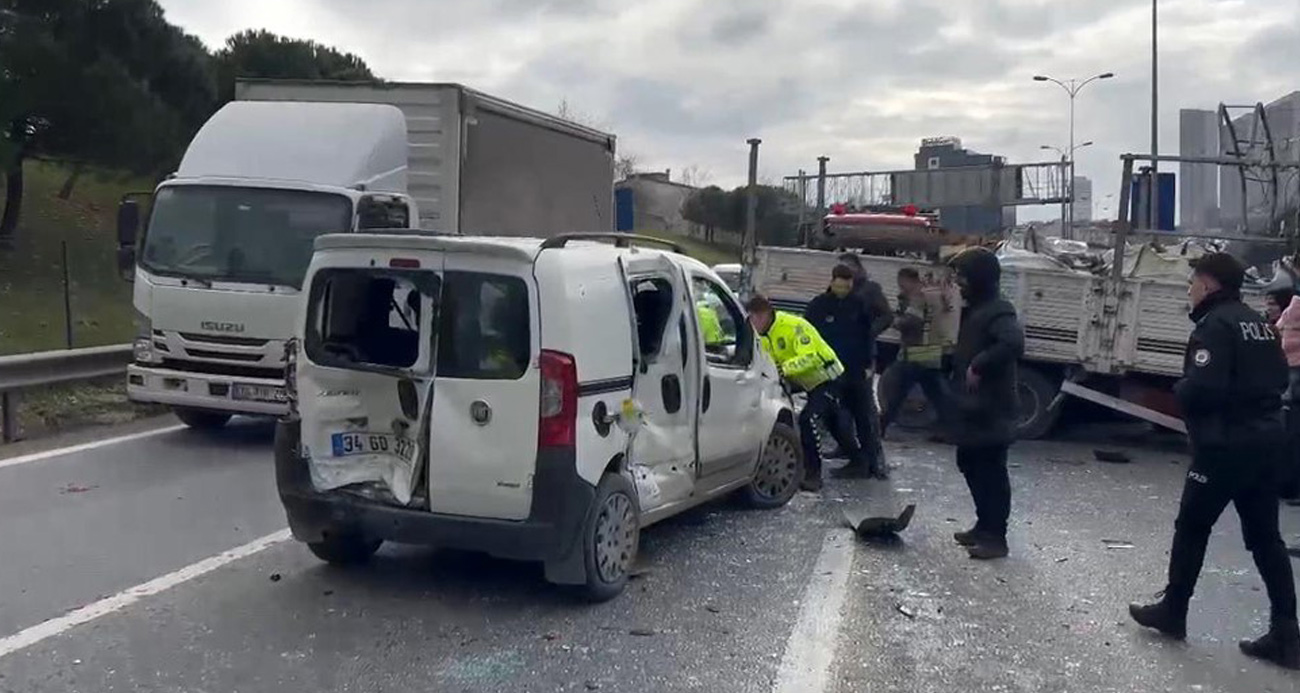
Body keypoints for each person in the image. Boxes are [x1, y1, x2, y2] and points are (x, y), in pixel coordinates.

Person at [1129, 252, 1298, 670]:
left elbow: (1204, 388)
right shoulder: (1257, 323)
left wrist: (1181, 388)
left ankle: (1174, 611)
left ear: (1208, 284)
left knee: (1191, 527)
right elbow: (1280, 377)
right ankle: (1287, 633)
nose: (1189, 290)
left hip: (1223, 446)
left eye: (1192, 282)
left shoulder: (1215, 326)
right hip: (1264, 442)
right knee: (1266, 540)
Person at [946, 247, 1024, 560]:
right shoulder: (976, 308)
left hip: (993, 410)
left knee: (991, 472)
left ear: (979, 278)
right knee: (969, 464)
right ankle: (983, 526)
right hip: (973, 409)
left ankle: (996, 537)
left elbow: (1013, 342)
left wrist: (979, 364)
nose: (959, 283)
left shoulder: (998, 309)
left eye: (963, 277)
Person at [747, 293, 865, 492]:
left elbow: (811, 357)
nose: (754, 323)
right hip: (806, 380)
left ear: (767, 314)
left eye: (756, 318)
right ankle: (858, 461)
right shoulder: (761, 334)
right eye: (751, 318)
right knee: (833, 423)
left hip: (827, 377)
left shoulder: (793, 326)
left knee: (808, 420)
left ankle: (813, 475)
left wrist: (783, 369)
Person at [805, 264, 890, 479]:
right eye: (839, 285)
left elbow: (867, 336)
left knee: (864, 418)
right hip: (828, 372)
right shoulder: (819, 305)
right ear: (832, 281)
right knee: (833, 418)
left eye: (847, 285)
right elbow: (807, 334)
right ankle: (855, 457)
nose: (843, 289)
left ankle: (872, 463)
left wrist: (868, 364)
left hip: (855, 371)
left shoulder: (860, 305)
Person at [830, 253, 894, 472]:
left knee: (864, 408)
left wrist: (869, 332)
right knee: (842, 405)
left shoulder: (870, 290)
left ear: (858, 268)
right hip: (840, 355)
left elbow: (887, 316)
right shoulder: (837, 290)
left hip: (863, 356)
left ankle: (875, 458)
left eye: (848, 267)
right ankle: (848, 447)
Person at [880, 267, 952, 439]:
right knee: (935, 392)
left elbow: (912, 322)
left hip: (918, 350)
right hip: (930, 348)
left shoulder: (919, 296)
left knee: (898, 388)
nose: (900, 287)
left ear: (908, 280)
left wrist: (894, 321)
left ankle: (880, 426)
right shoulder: (928, 293)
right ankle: (949, 429)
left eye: (901, 283)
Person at [1268, 287, 1300, 504]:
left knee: (1293, 434)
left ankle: (1291, 486)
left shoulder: (1297, 303)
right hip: (1290, 375)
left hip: (1295, 374)